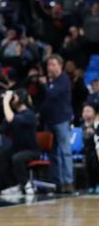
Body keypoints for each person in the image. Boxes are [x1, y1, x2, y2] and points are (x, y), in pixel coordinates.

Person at [0, 89, 40, 196]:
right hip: (17, 149)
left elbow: (11, 119)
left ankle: (27, 184)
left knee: (17, 158)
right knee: (0, 157)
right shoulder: (13, 116)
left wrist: (6, 101)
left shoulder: (30, 115)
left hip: (32, 151)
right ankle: (14, 185)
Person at [38, 54, 74, 193]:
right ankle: (57, 182)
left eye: (53, 65)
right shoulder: (50, 81)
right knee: (53, 153)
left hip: (61, 120)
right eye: (48, 65)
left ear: (60, 66)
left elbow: (52, 94)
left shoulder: (63, 80)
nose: (50, 67)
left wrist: (45, 84)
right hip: (49, 120)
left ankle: (68, 182)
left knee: (65, 152)